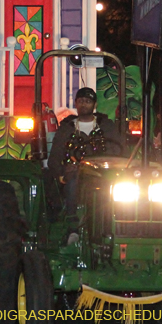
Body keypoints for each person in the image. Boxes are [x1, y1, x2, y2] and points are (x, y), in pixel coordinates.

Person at [47, 87, 125, 244]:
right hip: (76, 175)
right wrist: (62, 173)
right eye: (81, 101)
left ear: (94, 105)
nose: (84, 104)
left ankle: (116, 227)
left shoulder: (107, 126)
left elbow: (120, 152)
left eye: (88, 101)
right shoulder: (67, 128)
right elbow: (54, 157)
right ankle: (73, 227)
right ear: (76, 104)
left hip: (104, 174)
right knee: (72, 182)